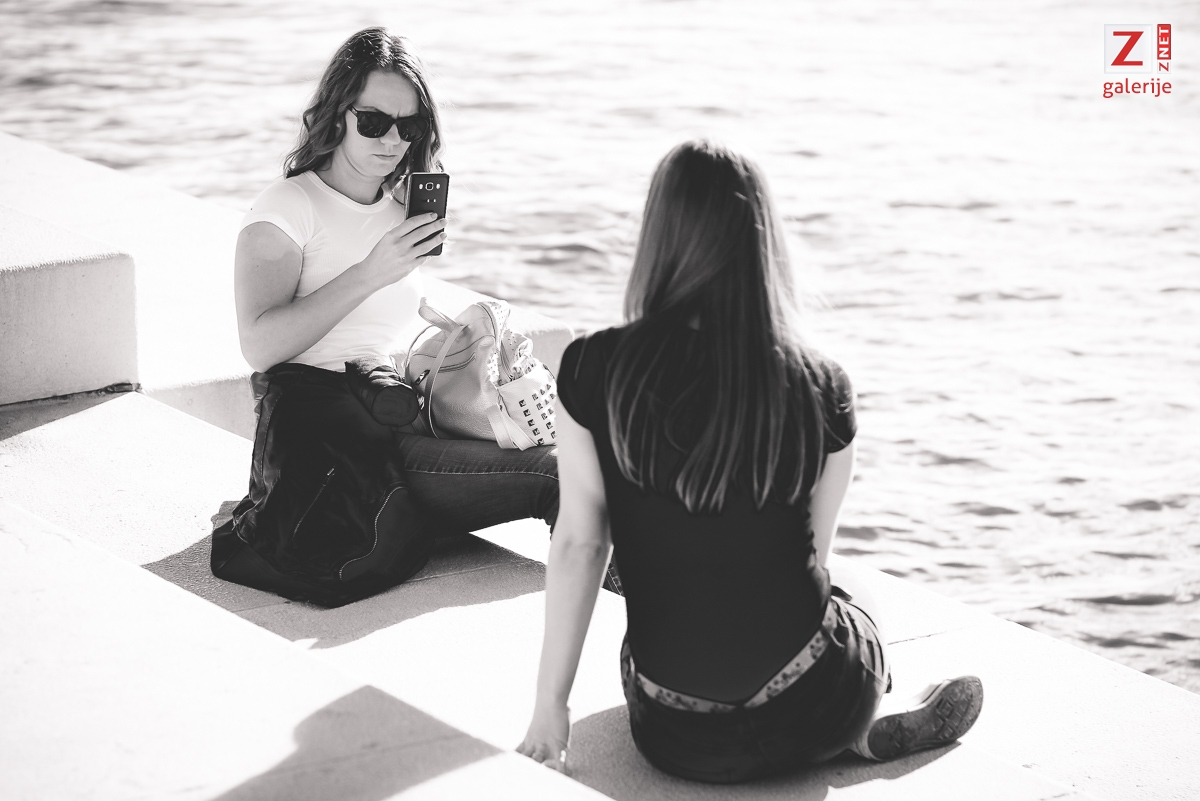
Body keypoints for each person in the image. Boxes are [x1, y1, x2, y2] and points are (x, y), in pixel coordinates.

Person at [517, 140, 983, 782]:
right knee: (854, 589)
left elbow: (579, 544)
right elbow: (811, 562)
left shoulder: (591, 367)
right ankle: (856, 729)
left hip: (675, 735)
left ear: (657, 237)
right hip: (816, 706)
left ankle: (830, 731)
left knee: (663, 633)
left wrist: (550, 708)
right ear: (763, 243)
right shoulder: (820, 383)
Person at [214, 27, 558, 605]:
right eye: (374, 121)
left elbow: (375, 331)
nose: (394, 139)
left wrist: (456, 335)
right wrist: (371, 272)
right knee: (561, 475)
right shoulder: (287, 209)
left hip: (396, 412)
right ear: (337, 114)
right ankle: (632, 634)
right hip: (336, 442)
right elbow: (260, 345)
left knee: (588, 446)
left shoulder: (400, 209)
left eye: (410, 126)